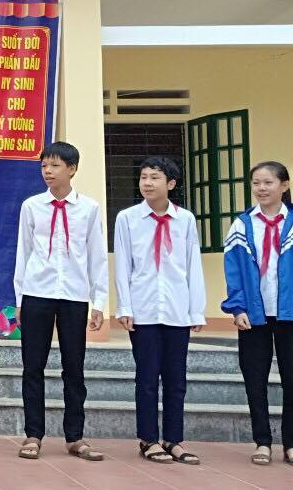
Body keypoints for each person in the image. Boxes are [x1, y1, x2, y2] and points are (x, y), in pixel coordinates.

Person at [13, 142, 107, 461]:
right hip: (37, 292)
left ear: (72, 169)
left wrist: (99, 301)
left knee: (74, 367)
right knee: (33, 366)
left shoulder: (89, 208)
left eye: (54, 166)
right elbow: (23, 253)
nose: (47, 172)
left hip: (74, 295)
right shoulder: (32, 206)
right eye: (44, 166)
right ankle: (33, 434)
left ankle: (75, 436)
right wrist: (20, 297)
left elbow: (96, 255)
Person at [112, 156, 205, 465]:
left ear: (171, 184)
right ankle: (148, 439)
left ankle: (173, 440)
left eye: (154, 177)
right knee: (147, 377)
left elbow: (193, 265)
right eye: (143, 177)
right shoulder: (127, 218)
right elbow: (123, 265)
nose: (147, 183)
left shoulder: (185, 220)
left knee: (177, 380)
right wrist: (124, 306)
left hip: (177, 309)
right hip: (143, 309)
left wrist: (196, 310)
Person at [222, 160, 293, 466]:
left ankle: (291, 443)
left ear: (284, 186)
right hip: (254, 313)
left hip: (290, 312)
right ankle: (262, 442)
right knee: (254, 378)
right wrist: (237, 306)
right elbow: (233, 270)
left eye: (268, 182)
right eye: (256, 183)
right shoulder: (242, 224)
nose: (261, 189)